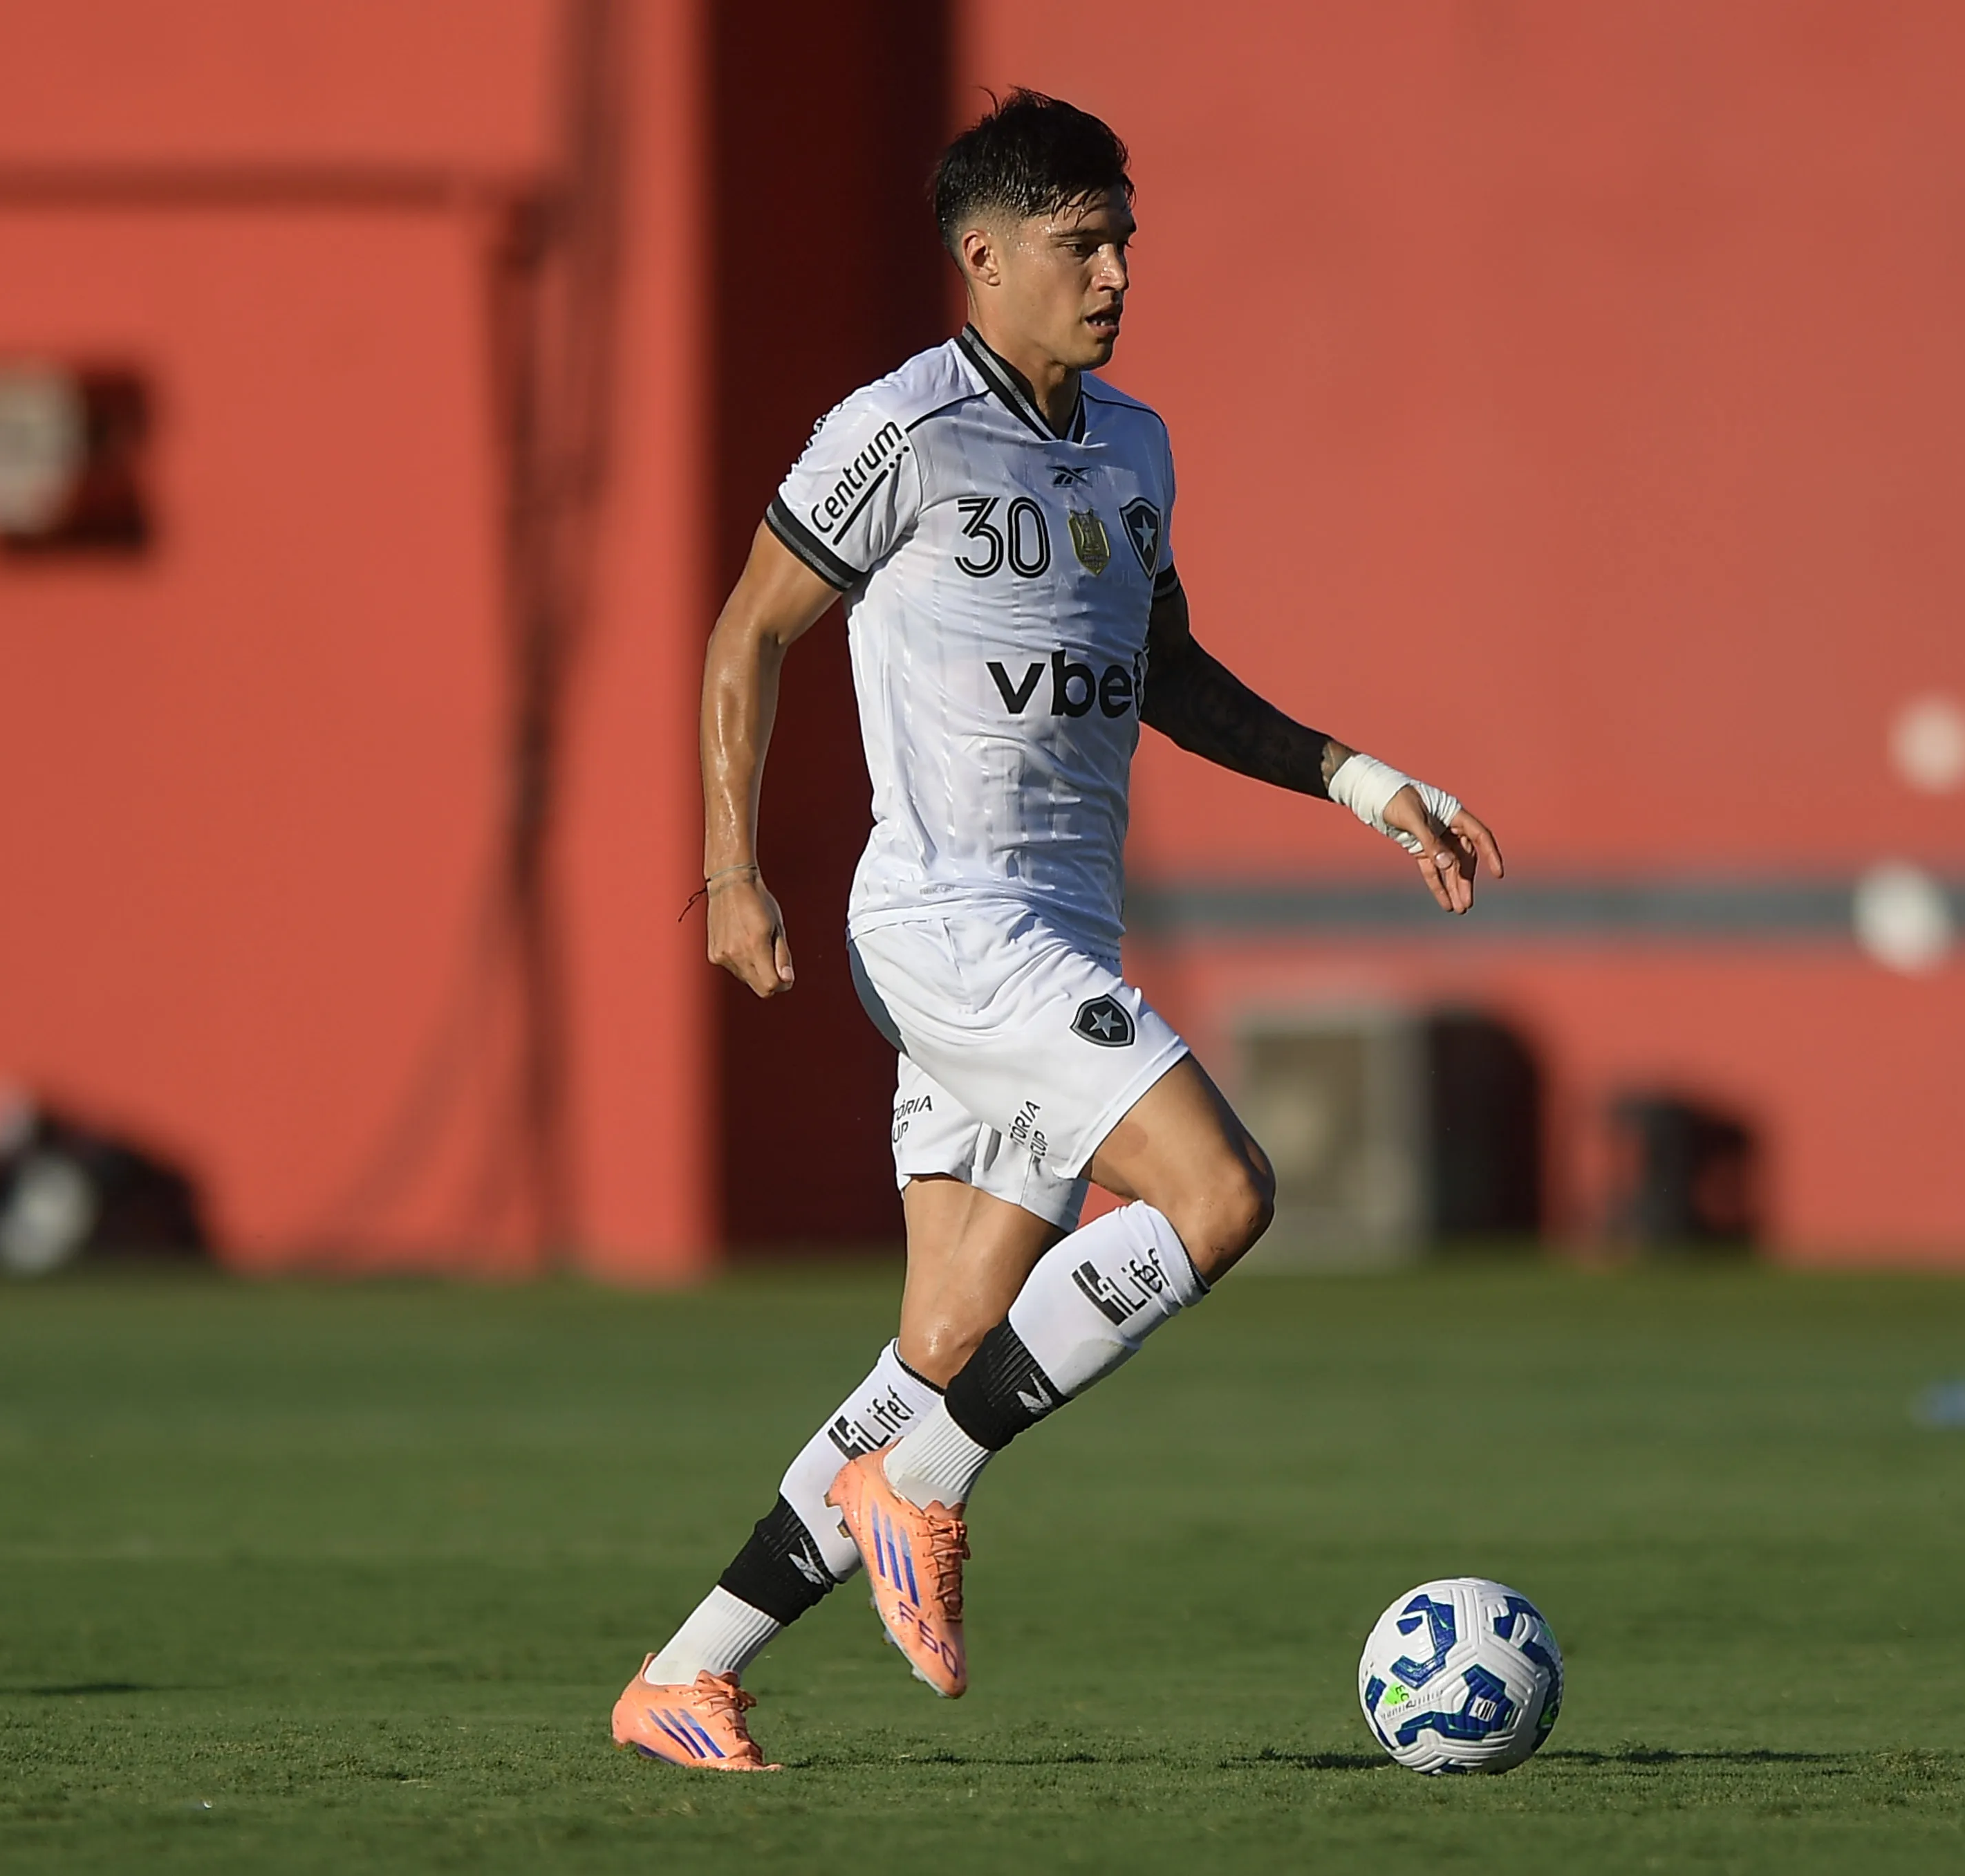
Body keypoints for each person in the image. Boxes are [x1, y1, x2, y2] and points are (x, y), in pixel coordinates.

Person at [612, 89, 1502, 1772]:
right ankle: (922, 1485)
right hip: (949, 922)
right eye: (1078, 244)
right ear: (983, 258)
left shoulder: (1134, 446)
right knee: (1220, 1193)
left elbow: (1166, 675)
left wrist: (1362, 780)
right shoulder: (894, 431)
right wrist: (729, 868)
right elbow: (746, 632)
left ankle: (684, 1672)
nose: (1111, 274)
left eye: (1122, 241)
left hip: (1057, 935)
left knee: (944, 1342)